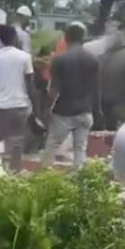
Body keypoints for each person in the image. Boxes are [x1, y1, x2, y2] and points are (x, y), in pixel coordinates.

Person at [45, 21, 99, 168]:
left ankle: (43, 181)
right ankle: (79, 182)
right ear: (84, 38)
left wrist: (46, 110)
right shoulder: (93, 59)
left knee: (51, 148)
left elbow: (53, 90)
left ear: (66, 38)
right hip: (85, 112)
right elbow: (96, 88)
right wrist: (97, 111)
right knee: (80, 149)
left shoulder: (59, 60)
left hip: (64, 112)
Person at [0, 25, 37, 172]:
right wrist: (34, 106)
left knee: (1, 141)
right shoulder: (24, 57)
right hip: (19, 105)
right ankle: (15, 171)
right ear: (15, 37)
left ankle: (0, 170)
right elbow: (30, 83)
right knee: (17, 141)